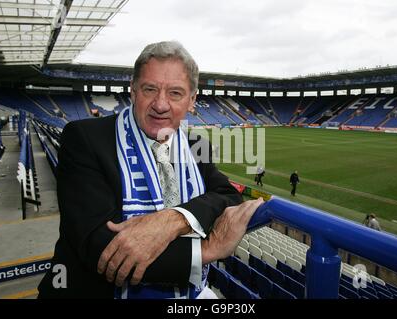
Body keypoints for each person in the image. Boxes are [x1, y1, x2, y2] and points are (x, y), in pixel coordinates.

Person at [37, 41, 263, 299]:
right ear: (132, 92)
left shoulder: (195, 146)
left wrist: (174, 220)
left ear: (192, 101)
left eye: (175, 93)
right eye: (150, 89)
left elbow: (227, 195)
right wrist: (207, 250)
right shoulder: (84, 139)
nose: (161, 104)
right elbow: (102, 250)